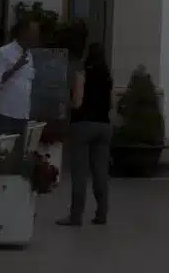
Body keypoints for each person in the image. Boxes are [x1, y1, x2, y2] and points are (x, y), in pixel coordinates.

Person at [57, 43, 113, 227]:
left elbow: (77, 102)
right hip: (103, 126)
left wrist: (68, 105)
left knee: (80, 173)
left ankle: (75, 215)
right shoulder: (107, 76)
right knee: (100, 172)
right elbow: (110, 103)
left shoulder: (82, 73)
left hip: (83, 126)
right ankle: (101, 212)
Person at [0, 17, 39, 136]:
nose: (36, 36)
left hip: (22, 115)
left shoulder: (29, 55)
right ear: (23, 32)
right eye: (33, 33)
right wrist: (15, 68)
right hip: (4, 114)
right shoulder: (3, 53)